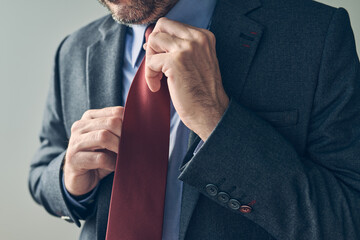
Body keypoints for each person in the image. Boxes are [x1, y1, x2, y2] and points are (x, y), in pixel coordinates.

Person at [28, 0, 360, 239]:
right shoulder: (74, 49)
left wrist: (214, 117)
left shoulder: (316, 35)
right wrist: (69, 180)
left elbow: (348, 220)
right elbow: (42, 168)